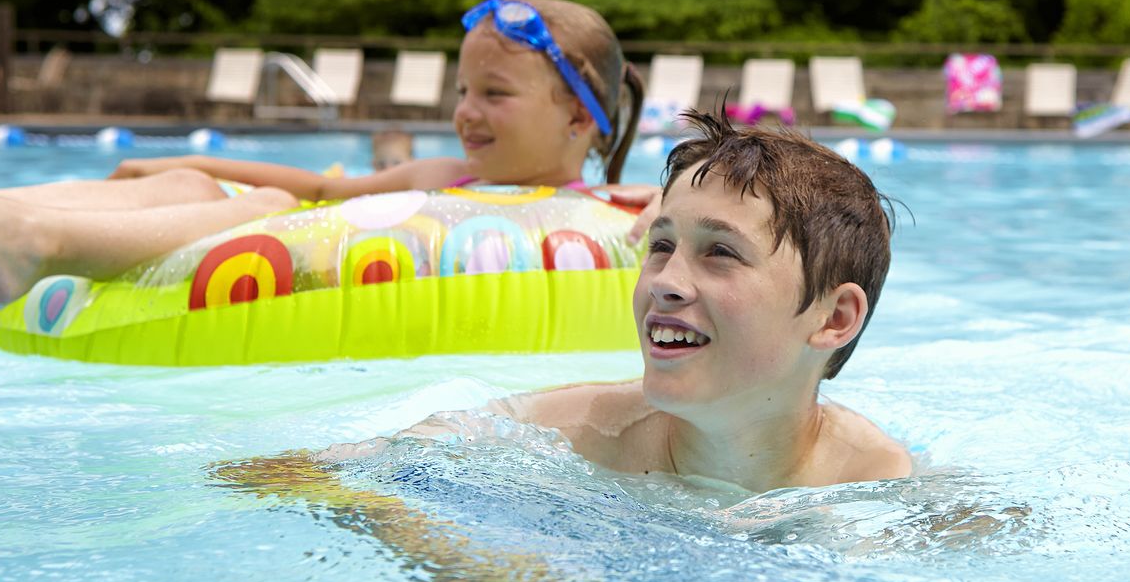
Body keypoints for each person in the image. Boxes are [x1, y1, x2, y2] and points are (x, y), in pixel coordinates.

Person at [0, 0, 653, 305]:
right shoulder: (441, 176)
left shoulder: (614, 216)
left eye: (494, 95)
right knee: (188, 178)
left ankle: (21, 241)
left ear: (583, 121)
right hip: (310, 242)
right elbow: (318, 180)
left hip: (305, 257)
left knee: (270, 213)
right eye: (463, 91)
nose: (466, 112)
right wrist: (183, 168)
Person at [239, 110, 912, 498]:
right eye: (661, 245)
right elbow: (308, 476)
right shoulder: (575, 437)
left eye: (721, 253)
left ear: (834, 318)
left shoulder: (873, 481)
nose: (665, 282)